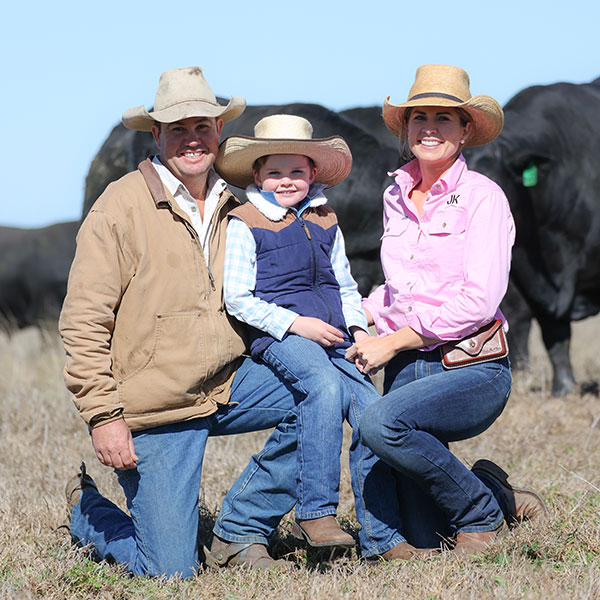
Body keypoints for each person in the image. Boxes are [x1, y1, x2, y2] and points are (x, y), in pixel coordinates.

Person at [60, 66, 305, 578]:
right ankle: (88, 512)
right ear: (156, 135)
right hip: (157, 402)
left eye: (202, 127)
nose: (192, 139)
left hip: (231, 382)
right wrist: (104, 415)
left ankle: (238, 529)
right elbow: (83, 322)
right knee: (171, 572)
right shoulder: (119, 207)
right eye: (177, 129)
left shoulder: (242, 203)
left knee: (325, 393)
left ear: (219, 131)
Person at [347, 64, 548, 554]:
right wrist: (361, 319)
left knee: (378, 424)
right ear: (406, 128)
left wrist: (393, 340)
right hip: (409, 363)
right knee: (426, 534)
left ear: (464, 132)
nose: (430, 128)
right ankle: (494, 492)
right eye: (419, 117)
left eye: (444, 118)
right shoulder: (395, 195)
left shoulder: (484, 199)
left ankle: (479, 514)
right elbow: (396, 291)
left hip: (471, 365)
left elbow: (479, 300)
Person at [215, 114, 424, 560]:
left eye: (296, 171)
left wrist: (359, 329)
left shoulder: (325, 216)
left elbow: (345, 284)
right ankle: (316, 510)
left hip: (335, 334)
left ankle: (381, 535)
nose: (286, 180)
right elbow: (237, 298)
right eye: (274, 171)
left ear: (313, 173)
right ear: (257, 175)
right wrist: (295, 324)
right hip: (282, 336)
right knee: (323, 388)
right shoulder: (245, 221)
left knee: (372, 412)